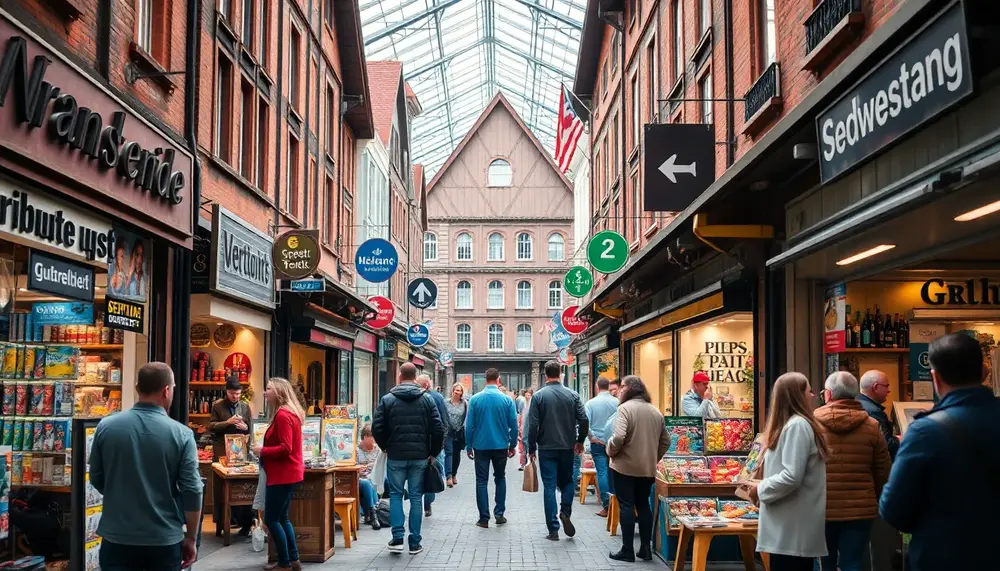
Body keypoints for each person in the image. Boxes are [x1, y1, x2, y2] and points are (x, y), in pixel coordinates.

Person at [879, 333, 1000, 571]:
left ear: (935, 377)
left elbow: (893, 510)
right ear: (985, 372)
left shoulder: (925, 432)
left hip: (944, 557)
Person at [89, 362, 203, 570]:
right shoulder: (182, 434)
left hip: (117, 536)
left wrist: (120, 494)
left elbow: (96, 476)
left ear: (137, 388)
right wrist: (191, 537)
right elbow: (193, 490)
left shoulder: (106, 426)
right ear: (166, 390)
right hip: (163, 538)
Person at [746, 372, 829, 571]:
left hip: (791, 527)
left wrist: (760, 489)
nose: (812, 395)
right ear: (797, 395)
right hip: (791, 528)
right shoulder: (797, 425)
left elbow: (792, 475)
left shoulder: (796, 426)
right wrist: (761, 486)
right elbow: (791, 473)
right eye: (808, 391)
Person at [814, 372, 891, 571]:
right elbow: (883, 470)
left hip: (821, 507)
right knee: (853, 563)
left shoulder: (811, 424)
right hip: (860, 509)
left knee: (825, 563)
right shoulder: (872, 426)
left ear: (828, 395)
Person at [371, 362, 444, 555]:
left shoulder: (387, 400)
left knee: (395, 495)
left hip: (395, 455)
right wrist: (432, 453)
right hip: (420, 456)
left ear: (400, 376)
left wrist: (386, 445)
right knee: (415, 497)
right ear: (415, 376)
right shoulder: (427, 400)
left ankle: (397, 538)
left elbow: (376, 428)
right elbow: (438, 429)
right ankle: (415, 542)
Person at [606, 376, 669, 562]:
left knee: (626, 505)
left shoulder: (624, 409)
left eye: (622, 386)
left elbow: (618, 437)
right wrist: (653, 457)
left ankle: (627, 550)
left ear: (630, 388)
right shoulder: (655, 411)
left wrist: (611, 450)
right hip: (646, 469)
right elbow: (666, 440)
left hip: (624, 466)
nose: (619, 390)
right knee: (643, 505)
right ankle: (645, 549)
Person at [526, 361, 589, 541]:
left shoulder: (538, 397)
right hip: (567, 447)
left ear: (545, 375)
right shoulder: (573, 395)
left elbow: (533, 425)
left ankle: (553, 529)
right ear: (561, 373)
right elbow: (584, 419)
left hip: (546, 447)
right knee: (567, 482)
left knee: (550, 486)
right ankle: (566, 512)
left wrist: (531, 448)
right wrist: (580, 440)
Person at [251, 378, 304, 571]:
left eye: (268, 389)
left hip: (282, 474)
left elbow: (286, 448)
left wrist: (262, 450)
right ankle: (293, 559)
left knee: (272, 519)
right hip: (287, 473)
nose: (265, 393)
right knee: (282, 518)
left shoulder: (283, 415)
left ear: (279, 392)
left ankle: (284, 562)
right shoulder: (289, 413)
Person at [465, 368, 518, 528]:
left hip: (480, 445)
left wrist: (468, 445)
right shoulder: (507, 400)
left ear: (484, 379)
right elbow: (514, 425)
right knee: (500, 478)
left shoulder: (475, 399)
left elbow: (469, 426)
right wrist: (513, 444)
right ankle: (499, 513)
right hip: (500, 445)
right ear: (498, 379)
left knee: (481, 481)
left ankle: (483, 518)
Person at [208, 377, 253, 536]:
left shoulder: (245, 407)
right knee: (221, 489)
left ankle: (246, 524)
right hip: (222, 453)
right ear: (226, 392)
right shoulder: (218, 407)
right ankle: (221, 523)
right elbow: (211, 426)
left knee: (243, 489)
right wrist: (227, 422)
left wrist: (245, 427)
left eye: (238, 394)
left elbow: (251, 430)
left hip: (240, 453)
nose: (236, 397)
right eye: (233, 394)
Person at [585, 378, 618, 516]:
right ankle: (615, 502)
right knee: (613, 472)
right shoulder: (618, 402)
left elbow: (585, 422)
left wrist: (591, 437)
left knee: (602, 472)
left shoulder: (591, 403)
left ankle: (607, 505)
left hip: (598, 442)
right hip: (615, 442)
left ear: (596, 387)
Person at [417, 374, 449, 517]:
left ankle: (418, 502)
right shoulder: (437, 398)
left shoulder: (416, 398)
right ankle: (428, 504)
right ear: (428, 385)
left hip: (418, 445)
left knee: (417, 475)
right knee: (432, 473)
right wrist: (441, 443)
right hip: (434, 444)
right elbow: (444, 422)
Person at [857, 370, 900, 460]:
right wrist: (900, 439)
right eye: (886, 386)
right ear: (875, 387)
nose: (889, 390)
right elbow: (885, 444)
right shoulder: (873, 411)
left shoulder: (857, 403)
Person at [357, 424, 382, 530]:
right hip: (359, 478)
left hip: (373, 476)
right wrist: (358, 469)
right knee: (367, 483)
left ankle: (371, 514)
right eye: (372, 437)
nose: (374, 440)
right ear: (366, 437)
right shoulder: (356, 450)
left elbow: (379, 466)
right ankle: (374, 513)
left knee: (372, 481)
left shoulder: (378, 450)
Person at [444, 383, 468, 486]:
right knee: (449, 452)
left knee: (456, 454)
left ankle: (454, 475)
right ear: (452, 391)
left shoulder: (465, 403)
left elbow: (467, 417)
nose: (457, 392)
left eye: (459, 390)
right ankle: (448, 476)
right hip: (448, 431)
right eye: (456, 390)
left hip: (459, 432)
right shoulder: (446, 402)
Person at [517, 388, 533, 470]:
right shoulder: (522, 403)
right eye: (526, 394)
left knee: (529, 447)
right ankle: (523, 464)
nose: (527, 396)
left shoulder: (533, 404)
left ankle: (530, 463)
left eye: (529, 395)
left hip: (530, 429)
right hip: (522, 428)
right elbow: (520, 416)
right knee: (522, 448)